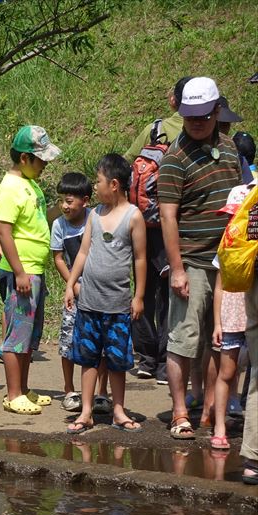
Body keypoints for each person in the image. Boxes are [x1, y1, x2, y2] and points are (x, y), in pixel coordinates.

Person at [157, 77, 241, 440]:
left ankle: (209, 409)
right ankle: (179, 412)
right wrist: (176, 269)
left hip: (227, 263)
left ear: (217, 111)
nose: (196, 123)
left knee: (216, 340)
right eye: (190, 116)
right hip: (191, 260)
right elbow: (167, 216)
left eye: (203, 116)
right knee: (183, 338)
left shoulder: (231, 150)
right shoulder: (174, 159)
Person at [63, 154, 147, 434]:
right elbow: (84, 251)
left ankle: (118, 410)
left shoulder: (133, 216)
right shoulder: (94, 215)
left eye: (98, 181)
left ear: (114, 184)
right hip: (89, 301)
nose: (94, 187)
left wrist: (139, 296)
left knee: (116, 360)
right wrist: (70, 283)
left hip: (117, 304)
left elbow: (140, 259)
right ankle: (86, 411)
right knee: (87, 358)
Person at [124, 77, 195, 384]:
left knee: (143, 290)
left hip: (144, 222)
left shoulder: (154, 129)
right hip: (179, 225)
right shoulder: (200, 134)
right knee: (172, 295)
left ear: (172, 100)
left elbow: (125, 163)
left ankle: (146, 358)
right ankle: (167, 363)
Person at [0, 126, 62, 416]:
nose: (45, 165)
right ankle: (12, 394)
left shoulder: (30, 183)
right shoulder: (10, 187)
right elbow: (4, 231)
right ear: (24, 158)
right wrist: (19, 272)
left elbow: (34, 222)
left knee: (30, 336)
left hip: (34, 270)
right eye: (41, 159)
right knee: (16, 335)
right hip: (20, 271)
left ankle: (23, 389)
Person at [51, 172, 92, 412]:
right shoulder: (59, 225)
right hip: (74, 289)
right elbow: (58, 258)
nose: (64, 206)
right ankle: (69, 389)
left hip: (98, 288)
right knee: (68, 340)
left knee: (99, 341)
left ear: (84, 201)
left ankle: (101, 393)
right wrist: (72, 284)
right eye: (62, 201)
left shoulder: (95, 218)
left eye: (69, 201)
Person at [210, 270, 247, 451]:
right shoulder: (230, 242)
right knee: (226, 372)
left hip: (252, 315)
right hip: (231, 317)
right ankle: (219, 427)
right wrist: (217, 323)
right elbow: (219, 287)